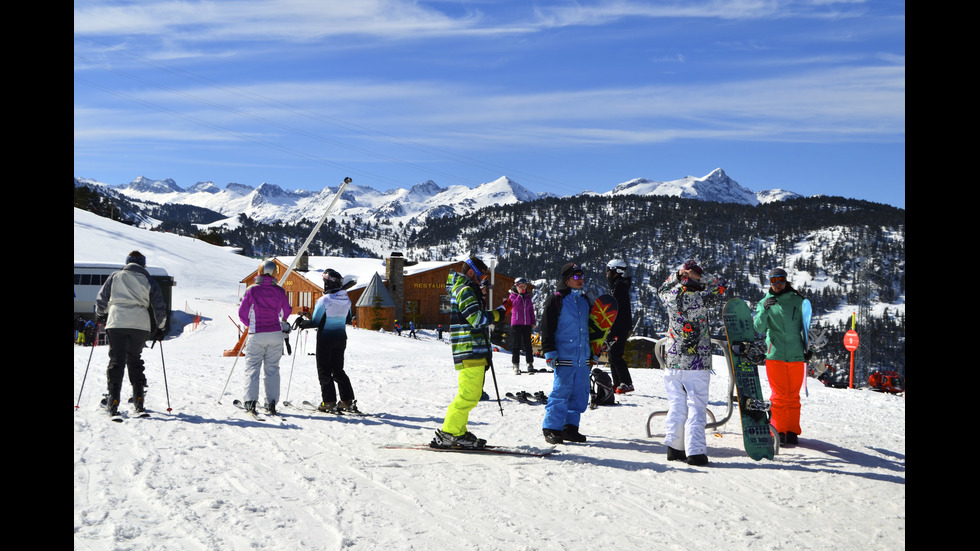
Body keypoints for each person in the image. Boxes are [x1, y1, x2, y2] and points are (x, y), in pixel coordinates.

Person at [657, 259, 726, 466]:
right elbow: (720, 285)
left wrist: (679, 275)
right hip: (697, 361)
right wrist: (700, 276)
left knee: (677, 405)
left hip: (673, 360)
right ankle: (695, 452)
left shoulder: (670, 296)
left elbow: (662, 288)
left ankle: (674, 448)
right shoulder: (702, 299)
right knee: (696, 405)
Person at [434, 255, 508, 449]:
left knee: (471, 394)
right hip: (470, 348)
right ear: (470, 272)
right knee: (468, 394)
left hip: (474, 348)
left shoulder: (468, 289)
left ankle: (457, 431)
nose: (484, 279)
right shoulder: (465, 290)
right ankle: (450, 432)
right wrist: (498, 313)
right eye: (481, 274)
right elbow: (476, 319)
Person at [95, 251, 168, 416]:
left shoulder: (115, 276)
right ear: (143, 265)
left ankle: (113, 401)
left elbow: (102, 298)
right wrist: (161, 327)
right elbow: (159, 306)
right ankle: (139, 401)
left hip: (117, 321)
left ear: (127, 263)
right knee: (134, 360)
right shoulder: (149, 280)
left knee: (116, 360)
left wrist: (100, 314)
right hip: (140, 325)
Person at [753, 267, 808, 445]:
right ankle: (779, 430)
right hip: (774, 354)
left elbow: (805, 327)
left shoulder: (797, 300)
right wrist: (764, 310)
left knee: (793, 395)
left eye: (780, 280)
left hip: (796, 354)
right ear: (769, 283)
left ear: (786, 280)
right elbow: (759, 328)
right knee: (779, 395)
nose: (777, 284)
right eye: (773, 281)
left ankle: (792, 431)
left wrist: (808, 348)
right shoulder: (765, 302)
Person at [540, 262, 593, 445]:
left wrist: (592, 353)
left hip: (582, 358)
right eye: (577, 277)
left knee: (580, 393)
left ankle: (570, 428)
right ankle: (552, 428)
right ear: (567, 279)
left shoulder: (585, 301)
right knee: (561, 392)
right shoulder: (557, 299)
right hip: (563, 355)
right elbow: (546, 327)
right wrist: (549, 351)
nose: (581, 280)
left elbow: (591, 329)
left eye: (582, 276)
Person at [238, 260, 292, 416]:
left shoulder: (252, 290)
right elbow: (286, 312)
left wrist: (250, 323)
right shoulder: (280, 291)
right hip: (275, 334)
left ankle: (250, 402)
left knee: (252, 368)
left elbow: (242, 314)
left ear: (259, 272)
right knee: (273, 369)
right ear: (275, 273)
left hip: (257, 333)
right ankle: (271, 402)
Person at [300, 269, 358, 413]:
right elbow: (349, 319)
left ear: (327, 284)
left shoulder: (324, 300)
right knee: (338, 370)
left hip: (325, 339)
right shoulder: (346, 299)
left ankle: (329, 402)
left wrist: (302, 323)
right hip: (341, 338)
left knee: (324, 371)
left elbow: (315, 322)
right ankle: (347, 400)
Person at [605, 259, 634, 393]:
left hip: (619, 326)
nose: (606, 274)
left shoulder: (619, 287)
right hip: (618, 325)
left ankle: (626, 383)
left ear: (615, 271)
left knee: (616, 354)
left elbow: (615, 309)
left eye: (608, 271)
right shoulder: (618, 286)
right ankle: (617, 383)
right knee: (611, 354)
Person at [509, 277, 536, 374]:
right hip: (516, 324)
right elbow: (514, 305)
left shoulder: (527, 296)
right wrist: (520, 295)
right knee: (516, 345)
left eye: (524, 286)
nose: (523, 288)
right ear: (516, 286)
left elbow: (531, 310)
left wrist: (533, 321)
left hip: (526, 324)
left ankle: (530, 364)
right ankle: (515, 365)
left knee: (528, 345)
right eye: (521, 286)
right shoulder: (512, 296)